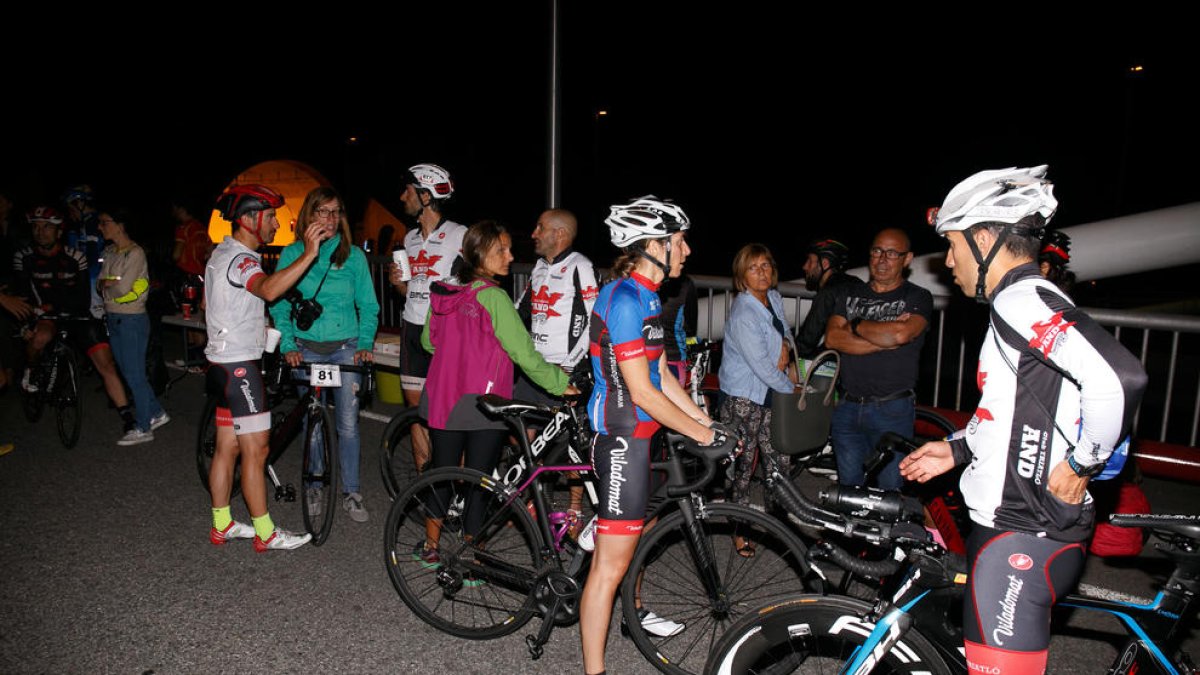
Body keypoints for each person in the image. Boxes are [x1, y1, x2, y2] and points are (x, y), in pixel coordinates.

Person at [900, 165, 1147, 674]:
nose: (947, 261)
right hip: (1022, 528)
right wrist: (958, 448)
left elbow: (1120, 376)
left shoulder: (1019, 299)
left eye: (952, 245)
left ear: (986, 238)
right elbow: (1023, 406)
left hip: (1021, 533)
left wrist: (1082, 466)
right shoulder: (1026, 299)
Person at [580, 196, 733, 675]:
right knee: (609, 570)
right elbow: (642, 392)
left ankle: (595, 532)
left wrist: (707, 423)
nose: (686, 250)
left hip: (644, 436)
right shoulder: (625, 300)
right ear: (653, 244)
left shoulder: (646, 294)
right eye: (679, 241)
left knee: (622, 549)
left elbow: (664, 374)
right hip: (623, 438)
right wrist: (700, 435)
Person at [414, 220, 577, 562]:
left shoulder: (443, 292)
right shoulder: (494, 298)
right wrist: (562, 385)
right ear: (479, 254)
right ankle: (473, 558)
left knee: (443, 472)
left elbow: (429, 342)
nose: (510, 256)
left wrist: (458, 353)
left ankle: (430, 547)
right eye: (501, 250)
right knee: (479, 480)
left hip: (443, 398)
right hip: (483, 403)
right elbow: (524, 354)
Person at [205, 184, 333, 552]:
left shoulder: (221, 254)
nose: (278, 223)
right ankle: (265, 532)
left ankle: (222, 523)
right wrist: (309, 253)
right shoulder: (243, 259)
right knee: (257, 451)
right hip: (240, 368)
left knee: (227, 448)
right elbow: (269, 290)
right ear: (248, 219)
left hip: (221, 362)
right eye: (271, 216)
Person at [269, 187, 380, 523]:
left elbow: (369, 305)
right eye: (322, 212)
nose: (330, 219)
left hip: (345, 347)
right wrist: (287, 345)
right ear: (309, 215)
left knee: (347, 424)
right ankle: (315, 484)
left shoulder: (354, 257)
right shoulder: (292, 254)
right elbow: (279, 304)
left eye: (335, 212)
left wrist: (365, 343)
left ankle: (352, 491)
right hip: (305, 349)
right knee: (312, 421)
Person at [13, 206, 139, 437]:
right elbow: (21, 294)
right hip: (43, 316)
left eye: (47, 227)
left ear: (59, 231)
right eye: (36, 227)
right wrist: (28, 321)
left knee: (106, 362)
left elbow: (82, 296)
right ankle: (31, 371)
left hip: (74, 314)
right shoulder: (24, 257)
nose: (41, 232)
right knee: (40, 337)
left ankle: (127, 416)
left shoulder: (75, 257)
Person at [824, 228, 932, 489]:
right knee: (848, 492)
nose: (882, 259)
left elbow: (902, 333)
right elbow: (833, 339)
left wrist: (856, 323)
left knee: (890, 492)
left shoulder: (917, 297)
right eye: (877, 251)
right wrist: (885, 340)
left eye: (892, 253)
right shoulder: (850, 294)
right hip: (847, 407)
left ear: (907, 259)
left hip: (892, 409)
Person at [514, 208, 598, 533]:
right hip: (532, 368)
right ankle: (531, 497)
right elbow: (521, 311)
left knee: (573, 446)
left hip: (566, 371)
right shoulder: (538, 267)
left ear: (559, 234)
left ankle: (575, 511)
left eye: (540, 227)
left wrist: (571, 364)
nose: (534, 233)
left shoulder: (581, 266)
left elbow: (595, 320)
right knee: (524, 434)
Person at [718, 244, 798, 554]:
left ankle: (780, 525)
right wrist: (793, 391)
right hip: (744, 398)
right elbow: (764, 368)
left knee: (778, 461)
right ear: (741, 276)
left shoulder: (773, 299)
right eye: (754, 268)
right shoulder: (743, 313)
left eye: (766, 265)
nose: (762, 272)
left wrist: (787, 349)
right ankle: (739, 529)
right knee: (744, 467)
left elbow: (787, 334)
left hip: (769, 395)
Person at [387, 163, 466, 475]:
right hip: (412, 326)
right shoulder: (409, 239)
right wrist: (398, 285)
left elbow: (472, 287)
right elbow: (412, 291)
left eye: (408, 190)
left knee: (448, 411)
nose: (402, 196)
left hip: (444, 331)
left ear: (425, 195)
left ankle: (457, 483)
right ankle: (425, 482)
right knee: (416, 410)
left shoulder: (460, 235)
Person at [96, 209, 169, 445]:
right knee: (129, 373)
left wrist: (109, 283)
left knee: (135, 374)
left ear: (120, 225)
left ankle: (143, 426)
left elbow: (122, 288)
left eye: (105, 222)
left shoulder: (135, 253)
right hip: (114, 318)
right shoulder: (108, 252)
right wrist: (109, 283)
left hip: (131, 320)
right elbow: (100, 283)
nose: (100, 227)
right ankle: (157, 413)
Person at [794, 238, 859, 357]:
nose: (804, 266)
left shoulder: (829, 291)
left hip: (842, 364)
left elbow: (806, 341)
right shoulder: (857, 283)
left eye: (809, 261)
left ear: (824, 264)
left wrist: (789, 356)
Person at [658, 273, 697, 386]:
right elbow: (691, 326)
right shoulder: (686, 283)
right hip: (673, 356)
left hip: (642, 357)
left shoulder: (638, 283)